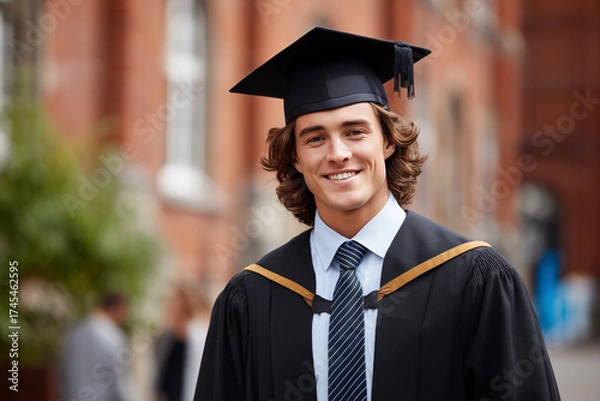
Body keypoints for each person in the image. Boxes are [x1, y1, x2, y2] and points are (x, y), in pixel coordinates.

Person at [194, 27, 561, 401]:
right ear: (296, 158)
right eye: (315, 138)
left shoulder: (474, 281)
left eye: (355, 132)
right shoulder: (254, 297)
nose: (337, 153)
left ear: (387, 140)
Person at [59, 291, 133, 401]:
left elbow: (62, 372)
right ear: (117, 309)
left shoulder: (74, 332)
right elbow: (119, 384)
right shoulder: (114, 336)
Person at [154, 284, 209, 401]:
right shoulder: (169, 334)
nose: (172, 305)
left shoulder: (197, 333)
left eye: (175, 300)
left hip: (187, 392)